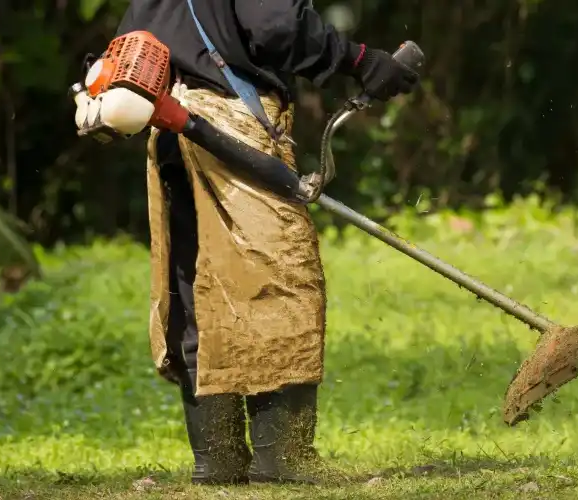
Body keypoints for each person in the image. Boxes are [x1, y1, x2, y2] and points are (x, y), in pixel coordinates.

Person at [106, 0, 419, 486]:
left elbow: (125, 47)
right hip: (229, 125)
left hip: (172, 135)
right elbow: (275, 26)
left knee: (198, 289)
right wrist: (360, 60)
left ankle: (219, 458)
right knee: (283, 280)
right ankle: (283, 456)